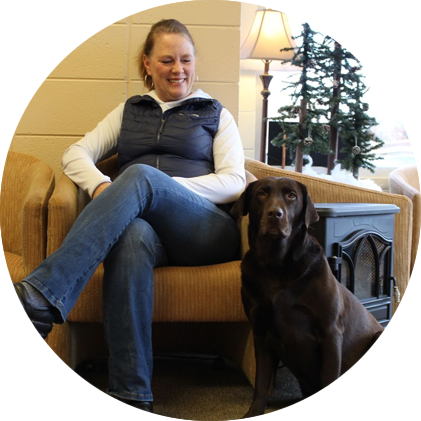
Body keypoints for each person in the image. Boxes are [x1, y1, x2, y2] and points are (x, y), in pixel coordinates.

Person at [0, 19, 246, 421]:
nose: (177, 68)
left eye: (186, 59)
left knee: (140, 176)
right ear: (147, 64)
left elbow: (235, 181)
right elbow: (76, 154)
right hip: (150, 234)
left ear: (195, 64)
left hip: (204, 230)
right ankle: (134, 400)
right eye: (166, 59)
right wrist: (101, 187)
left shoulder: (216, 114)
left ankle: (40, 296)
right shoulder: (129, 111)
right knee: (130, 235)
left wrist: (162, 186)